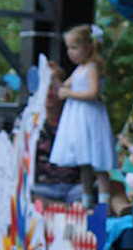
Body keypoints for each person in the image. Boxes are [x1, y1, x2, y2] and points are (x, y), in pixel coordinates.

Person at [48, 24, 114, 208]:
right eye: (69, 48)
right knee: (84, 164)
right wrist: (53, 77)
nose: (70, 52)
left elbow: (93, 92)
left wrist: (70, 94)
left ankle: (104, 204)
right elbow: (63, 89)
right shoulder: (78, 70)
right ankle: (86, 202)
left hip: (89, 118)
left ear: (88, 47)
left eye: (74, 48)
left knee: (98, 164)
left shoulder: (91, 68)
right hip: (78, 120)